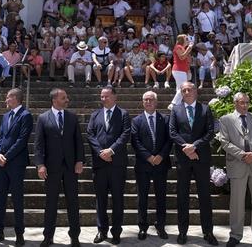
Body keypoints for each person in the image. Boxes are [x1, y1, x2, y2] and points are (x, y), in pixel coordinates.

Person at [216, 92, 252, 247]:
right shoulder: (225, 119)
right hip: (238, 164)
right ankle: (235, 235)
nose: (245, 105)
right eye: (242, 102)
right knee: (236, 203)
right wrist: (243, 155)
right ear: (235, 103)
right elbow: (224, 142)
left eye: (247, 102)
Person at [170, 81, 218, 245]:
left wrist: (195, 146)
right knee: (182, 196)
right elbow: (172, 132)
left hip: (201, 158)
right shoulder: (175, 110)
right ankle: (182, 232)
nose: (187, 92)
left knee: (204, 196)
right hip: (183, 159)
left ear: (195, 91)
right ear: (181, 93)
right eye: (184, 90)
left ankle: (208, 232)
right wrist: (186, 148)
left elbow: (210, 132)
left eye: (190, 89)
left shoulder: (205, 109)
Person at [35, 88, 84, 247]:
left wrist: (79, 161)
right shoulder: (43, 118)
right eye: (64, 98)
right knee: (50, 203)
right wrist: (40, 164)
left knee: (73, 202)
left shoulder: (72, 117)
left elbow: (78, 141)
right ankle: (48, 236)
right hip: (51, 167)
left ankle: (74, 236)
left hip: (70, 167)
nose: (67, 100)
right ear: (54, 100)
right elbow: (39, 144)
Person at [86, 86, 130, 244]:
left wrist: (111, 151)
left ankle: (116, 231)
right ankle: (101, 230)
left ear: (114, 97)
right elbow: (90, 134)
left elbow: (125, 134)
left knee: (118, 199)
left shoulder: (123, 114)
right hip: (99, 165)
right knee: (101, 200)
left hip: (117, 164)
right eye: (102, 96)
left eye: (106, 96)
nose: (103, 99)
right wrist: (100, 152)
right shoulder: (95, 115)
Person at [0, 89, 30, 247]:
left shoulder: (25, 116)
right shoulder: (6, 116)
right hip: (2, 163)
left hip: (16, 163)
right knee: (0, 198)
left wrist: (7, 156)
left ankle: (20, 234)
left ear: (15, 98)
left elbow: (22, 140)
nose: (5, 100)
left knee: (17, 199)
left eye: (8, 98)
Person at [131, 90, 171, 241]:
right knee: (142, 197)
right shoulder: (136, 121)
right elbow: (135, 141)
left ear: (156, 102)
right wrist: (148, 157)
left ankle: (160, 226)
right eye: (145, 100)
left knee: (161, 197)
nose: (148, 102)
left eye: (151, 100)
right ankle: (142, 227)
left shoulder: (165, 119)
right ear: (142, 102)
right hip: (143, 165)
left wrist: (161, 155)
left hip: (161, 164)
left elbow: (169, 140)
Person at [170, 35, 192, 106]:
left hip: (182, 70)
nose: (187, 40)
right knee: (183, 87)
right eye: (186, 38)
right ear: (182, 40)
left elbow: (187, 61)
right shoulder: (178, 47)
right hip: (178, 70)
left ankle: (177, 105)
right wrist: (188, 49)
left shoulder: (183, 48)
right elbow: (182, 57)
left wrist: (188, 70)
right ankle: (173, 104)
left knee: (179, 88)